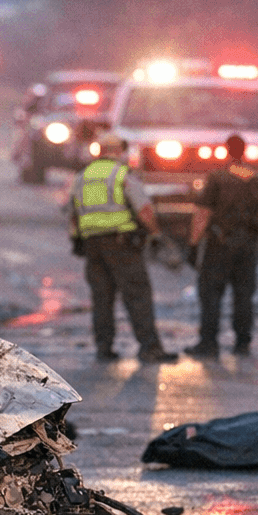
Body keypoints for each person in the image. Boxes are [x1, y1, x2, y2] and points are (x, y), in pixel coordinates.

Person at [67, 133, 177, 363]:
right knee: (137, 294)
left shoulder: (81, 177)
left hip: (93, 246)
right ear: (118, 151)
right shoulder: (122, 175)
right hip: (121, 246)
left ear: (99, 151)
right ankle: (150, 347)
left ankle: (104, 348)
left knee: (102, 297)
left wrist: (77, 239)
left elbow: (74, 214)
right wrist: (156, 234)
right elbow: (144, 209)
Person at [185, 134, 258, 357]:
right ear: (244, 151)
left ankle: (209, 344)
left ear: (227, 151)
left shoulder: (218, 178)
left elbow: (202, 213)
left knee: (210, 294)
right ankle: (242, 343)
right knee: (243, 295)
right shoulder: (255, 178)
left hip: (220, 245)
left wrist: (193, 244)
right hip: (247, 245)